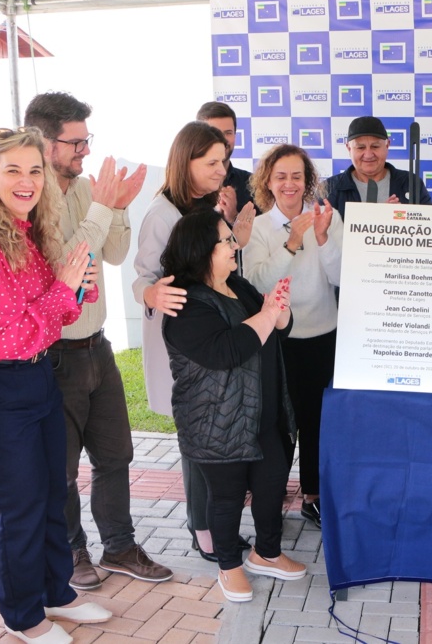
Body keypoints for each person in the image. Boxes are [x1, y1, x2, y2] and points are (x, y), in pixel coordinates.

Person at [0, 127, 111, 644]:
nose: (27, 181)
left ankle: (55, 592)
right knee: (19, 505)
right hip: (3, 388)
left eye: (34, 170)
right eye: (13, 170)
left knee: (53, 490)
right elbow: (6, 334)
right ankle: (23, 615)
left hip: (40, 376)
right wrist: (63, 292)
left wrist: (72, 289)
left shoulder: (27, 230)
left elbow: (54, 314)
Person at [23, 92, 171, 590]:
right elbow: (65, 265)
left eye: (88, 140)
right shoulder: (26, 199)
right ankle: (73, 551)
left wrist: (119, 209)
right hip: (54, 354)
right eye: (76, 142)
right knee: (62, 469)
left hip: (97, 346)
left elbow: (114, 252)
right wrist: (103, 207)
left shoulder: (89, 189)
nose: (85, 150)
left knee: (116, 455)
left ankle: (120, 547)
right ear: (44, 142)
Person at [162, 208, 306, 603]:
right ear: (199, 251)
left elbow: (278, 328)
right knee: (225, 500)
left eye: (230, 239)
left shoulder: (238, 286)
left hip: (263, 415)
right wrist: (268, 314)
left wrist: (280, 309)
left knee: (271, 485)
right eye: (225, 241)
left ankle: (268, 553)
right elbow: (229, 350)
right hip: (216, 422)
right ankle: (229, 566)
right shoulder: (186, 304)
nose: (232, 246)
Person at [132, 121, 256, 561]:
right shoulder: (160, 213)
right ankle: (202, 528)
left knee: (214, 432)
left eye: (224, 161)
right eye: (212, 163)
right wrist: (149, 293)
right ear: (186, 162)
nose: (223, 170)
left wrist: (235, 239)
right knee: (197, 438)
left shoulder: (207, 205)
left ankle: (213, 523)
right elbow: (142, 278)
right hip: (183, 344)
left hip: (211, 341)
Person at [244, 144, 342, 529]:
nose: (289, 184)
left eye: (297, 176)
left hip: (323, 335)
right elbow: (256, 284)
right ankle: (272, 495)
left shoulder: (327, 218)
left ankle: (314, 497)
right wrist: (291, 245)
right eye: (281, 176)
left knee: (319, 422)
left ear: (308, 181)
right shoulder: (259, 228)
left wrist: (321, 238)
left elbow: (340, 276)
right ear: (268, 180)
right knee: (280, 423)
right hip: (278, 340)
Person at [324, 116, 432, 218]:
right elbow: (320, 234)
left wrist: (403, 218)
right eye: (360, 148)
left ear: (387, 145)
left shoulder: (410, 183)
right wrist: (380, 217)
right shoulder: (329, 189)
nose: (368, 155)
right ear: (349, 148)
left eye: (375, 146)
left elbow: (429, 226)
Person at [197, 101, 255, 223]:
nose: (222, 139)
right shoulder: (186, 186)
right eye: (215, 132)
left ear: (235, 135)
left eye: (228, 133)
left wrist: (234, 217)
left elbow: (261, 238)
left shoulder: (253, 184)